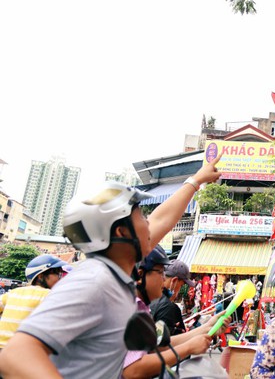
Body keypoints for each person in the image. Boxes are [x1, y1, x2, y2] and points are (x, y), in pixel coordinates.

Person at [0, 157, 222, 379]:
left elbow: (160, 220)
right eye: (141, 217)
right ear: (121, 233)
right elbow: (16, 355)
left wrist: (197, 180)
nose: (148, 223)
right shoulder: (94, 281)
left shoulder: (114, 276)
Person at [123, 246, 229, 379]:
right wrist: (188, 348)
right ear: (140, 275)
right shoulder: (128, 309)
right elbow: (133, 371)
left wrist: (208, 328)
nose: (163, 279)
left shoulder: (142, 307)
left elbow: (157, 345)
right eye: (160, 272)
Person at [0, 254, 69, 349]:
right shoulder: (49, 295)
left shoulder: (13, 293)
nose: (60, 278)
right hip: (21, 351)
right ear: (40, 276)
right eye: (57, 273)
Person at [150, 259, 195, 336]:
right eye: (181, 286)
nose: (179, 289)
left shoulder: (148, 298)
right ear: (174, 281)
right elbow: (164, 344)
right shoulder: (168, 307)